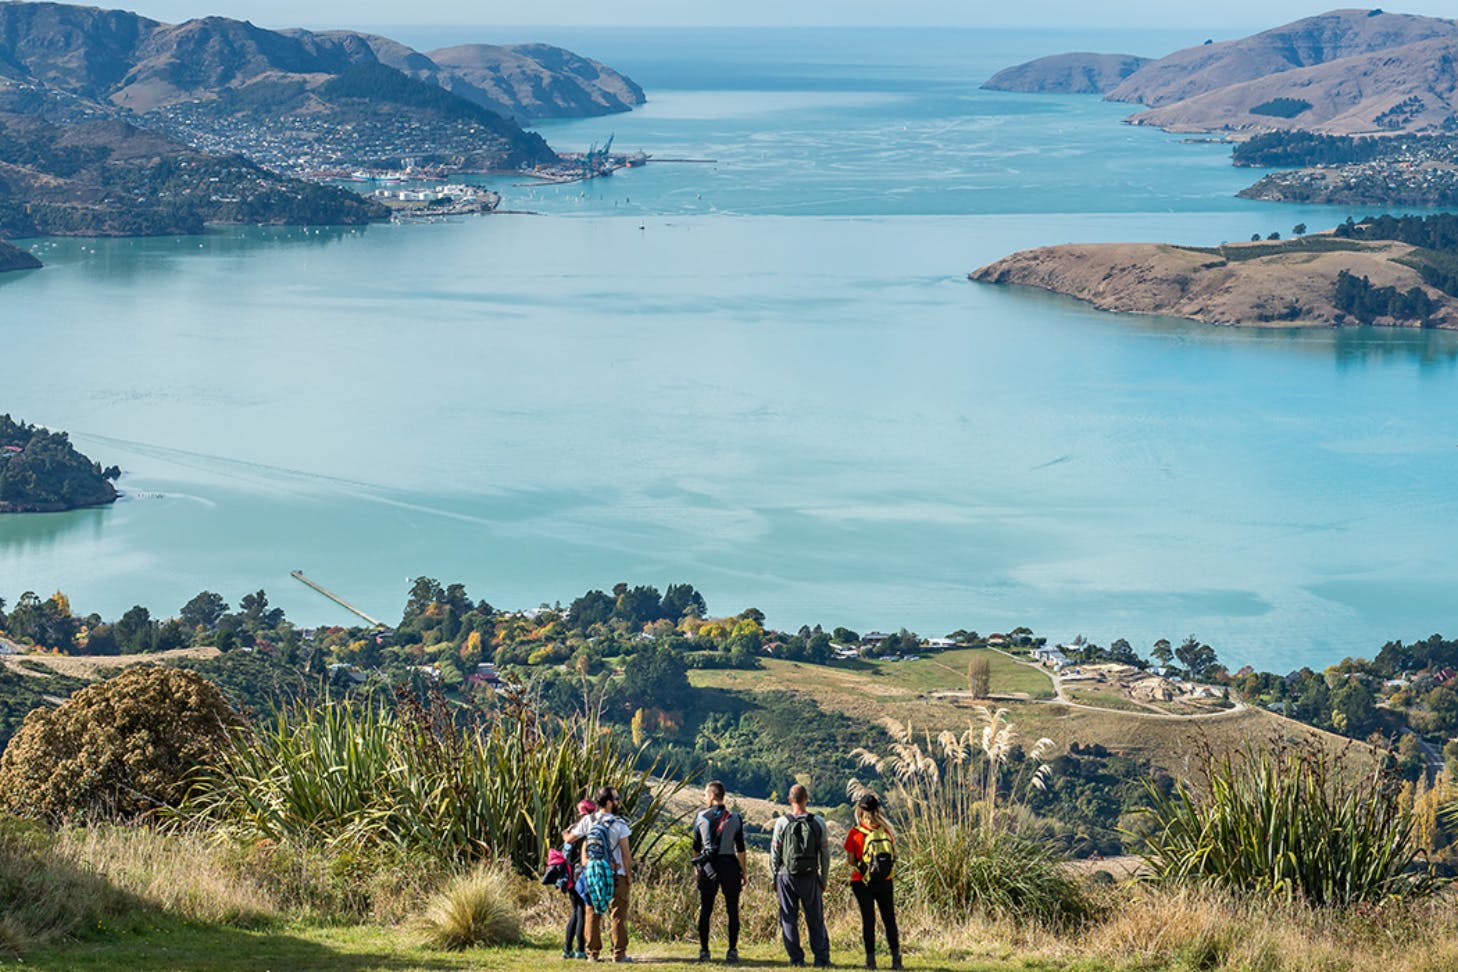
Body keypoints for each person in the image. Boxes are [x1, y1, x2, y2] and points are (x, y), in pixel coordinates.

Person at [566, 786, 634, 963]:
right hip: (615, 873)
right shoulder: (619, 824)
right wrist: (628, 876)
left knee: (592, 912)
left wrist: (566, 834)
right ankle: (618, 954)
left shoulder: (588, 820)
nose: (619, 801)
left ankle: (592, 954)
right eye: (617, 798)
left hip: (593, 872)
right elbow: (626, 854)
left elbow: (571, 839)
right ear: (610, 803)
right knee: (618, 914)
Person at [770, 783, 831, 968]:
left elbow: (775, 853)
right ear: (807, 799)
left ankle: (796, 959)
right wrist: (823, 879)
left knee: (788, 918)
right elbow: (825, 854)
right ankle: (821, 959)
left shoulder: (782, 822)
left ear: (790, 799)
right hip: (810, 876)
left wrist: (774, 877)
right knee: (815, 918)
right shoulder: (818, 822)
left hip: (785, 876)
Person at [692, 780, 747, 964]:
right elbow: (741, 848)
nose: (705, 797)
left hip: (708, 866)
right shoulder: (735, 818)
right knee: (732, 910)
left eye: (706, 794)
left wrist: (696, 869)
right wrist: (743, 872)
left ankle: (704, 950)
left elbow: (696, 847)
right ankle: (732, 950)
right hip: (730, 865)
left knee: (706, 909)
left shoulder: (701, 817)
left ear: (712, 796)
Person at [844, 793, 900, 970]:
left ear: (860, 810)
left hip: (862, 881)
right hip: (885, 880)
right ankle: (896, 959)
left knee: (869, 920)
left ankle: (871, 960)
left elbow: (851, 860)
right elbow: (895, 856)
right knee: (889, 918)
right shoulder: (887, 831)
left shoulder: (855, 833)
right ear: (878, 810)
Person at [551, 797, 597, 960]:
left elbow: (566, 847)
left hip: (570, 875)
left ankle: (567, 948)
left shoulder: (573, 830)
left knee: (575, 911)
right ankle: (579, 950)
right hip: (581, 873)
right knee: (581, 911)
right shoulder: (591, 828)